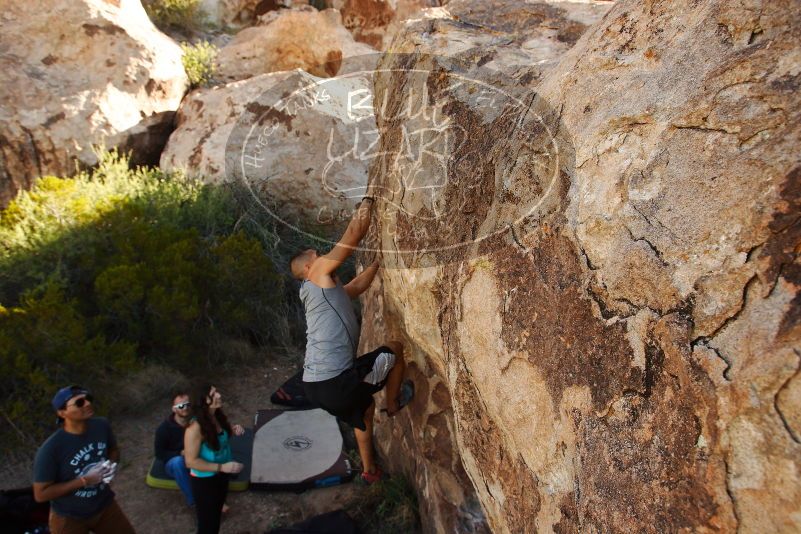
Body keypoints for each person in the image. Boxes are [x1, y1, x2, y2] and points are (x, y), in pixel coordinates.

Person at [290, 198, 409, 484]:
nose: (321, 255)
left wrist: (380, 259)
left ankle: (370, 472)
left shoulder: (326, 293)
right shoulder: (316, 276)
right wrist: (370, 200)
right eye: (315, 255)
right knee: (395, 349)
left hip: (317, 386)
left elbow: (357, 286)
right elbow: (354, 233)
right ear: (308, 268)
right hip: (334, 382)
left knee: (364, 412)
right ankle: (393, 403)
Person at [32, 385, 135, 534]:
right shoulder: (51, 449)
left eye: (88, 399)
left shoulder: (101, 425)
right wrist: (84, 481)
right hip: (69, 517)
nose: (87, 404)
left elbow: (113, 450)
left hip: (104, 505)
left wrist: (110, 464)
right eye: (79, 403)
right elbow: (41, 494)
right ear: (62, 413)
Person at [183, 384, 244, 534]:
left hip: (221, 476)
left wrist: (233, 430)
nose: (218, 395)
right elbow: (190, 461)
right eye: (213, 393)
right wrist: (222, 467)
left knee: (215, 518)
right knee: (208, 525)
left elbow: (219, 435)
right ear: (204, 400)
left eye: (216, 391)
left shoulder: (215, 415)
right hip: (206, 481)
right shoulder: (194, 428)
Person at [154, 391, 194, 507]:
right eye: (181, 406)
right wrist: (180, 453)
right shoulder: (164, 429)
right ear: (174, 409)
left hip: (195, 455)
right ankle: (194, 500)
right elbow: (159, 454)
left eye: (188, 404)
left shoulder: (195, 421)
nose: (185, 408)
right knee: (178, 463)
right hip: (176, 461)